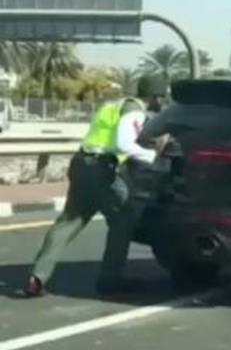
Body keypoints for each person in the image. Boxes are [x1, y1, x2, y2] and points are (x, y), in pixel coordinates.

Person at [25, 76, 168, 297]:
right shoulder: (133, 111)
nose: (161, 102)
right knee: (124, 220)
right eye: (161, 97)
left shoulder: (113, 105)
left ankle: (38, 275)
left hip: (81, 163)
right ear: (154, 97)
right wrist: (151, 156)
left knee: (69, 221)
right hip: (102, 169)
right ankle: (110, 281)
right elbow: (123, 143)